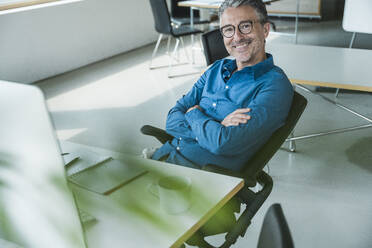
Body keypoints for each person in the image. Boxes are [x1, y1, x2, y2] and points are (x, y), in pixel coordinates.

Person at [150, 0, 294, 171]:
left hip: (199, 180)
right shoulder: (216, 69)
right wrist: (216, 127)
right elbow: (172, 120)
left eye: (245, 26)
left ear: (265, 30)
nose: (237, 37)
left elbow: (223, 143)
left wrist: (193, 113)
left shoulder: (275, 86)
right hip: (162, 157)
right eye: (228, 30)